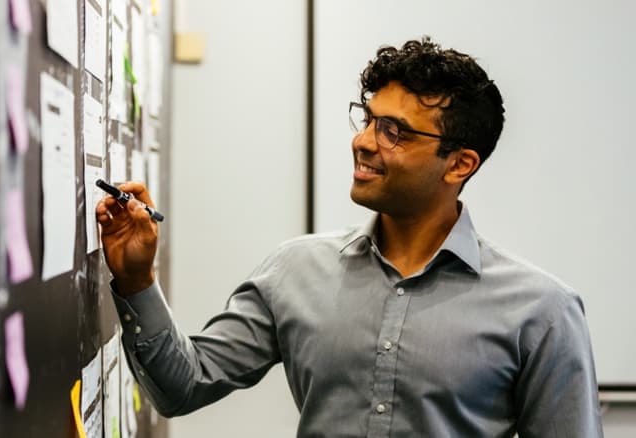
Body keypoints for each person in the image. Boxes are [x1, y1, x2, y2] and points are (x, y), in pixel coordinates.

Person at [96, 37, 603, 437]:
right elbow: (182, 388)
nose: (363, 141)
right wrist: (138, 280)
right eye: (367, 120)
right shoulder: (294, 270)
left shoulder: (543, 312)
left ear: (460, 164)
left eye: (394, 132)